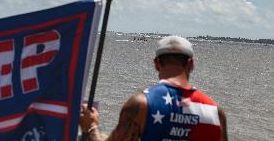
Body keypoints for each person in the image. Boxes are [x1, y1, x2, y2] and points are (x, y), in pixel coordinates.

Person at [79, 36, 228, 141]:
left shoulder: (142, 104)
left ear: (156, 63)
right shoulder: (215, 112)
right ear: (191, 64)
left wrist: (91, 126)